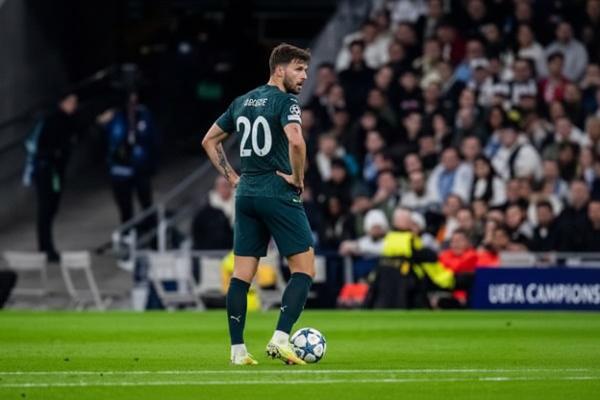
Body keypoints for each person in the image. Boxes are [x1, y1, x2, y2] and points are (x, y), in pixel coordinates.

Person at [201, 43, 314, 366]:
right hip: (278, 191)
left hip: (246, 193)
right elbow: (296, 140)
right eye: (298, 69)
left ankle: (238, 351)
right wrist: (297, 178)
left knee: (241, 275)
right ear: (279, 70)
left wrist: (233, 178)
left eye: (305, 70)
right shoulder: (286, 101)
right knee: (304, 269)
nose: (304, 76)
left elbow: (209, 140)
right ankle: (280, 339)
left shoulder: (242, 101)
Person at [23, 93, 79, 262]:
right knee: (46, 209)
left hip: (54, 170)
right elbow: (45, 147)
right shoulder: (53, 120)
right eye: (70, 102)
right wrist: (58, 152)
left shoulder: (67, 121)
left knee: (50, 208)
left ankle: (46, 246)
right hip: (47, 170)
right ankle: (45, 247)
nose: (73, 106)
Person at [100, 91, 159, 225]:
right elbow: (104, 143)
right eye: (130, 98)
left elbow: (153, 140)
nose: (133, 100)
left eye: (134, 97)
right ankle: (128, 233)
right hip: (120, 172)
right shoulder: (114, 117)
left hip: (141, 168)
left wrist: (152, 164)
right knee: (126, 210)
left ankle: (152, 233)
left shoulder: (144, 114)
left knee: (147, 205)